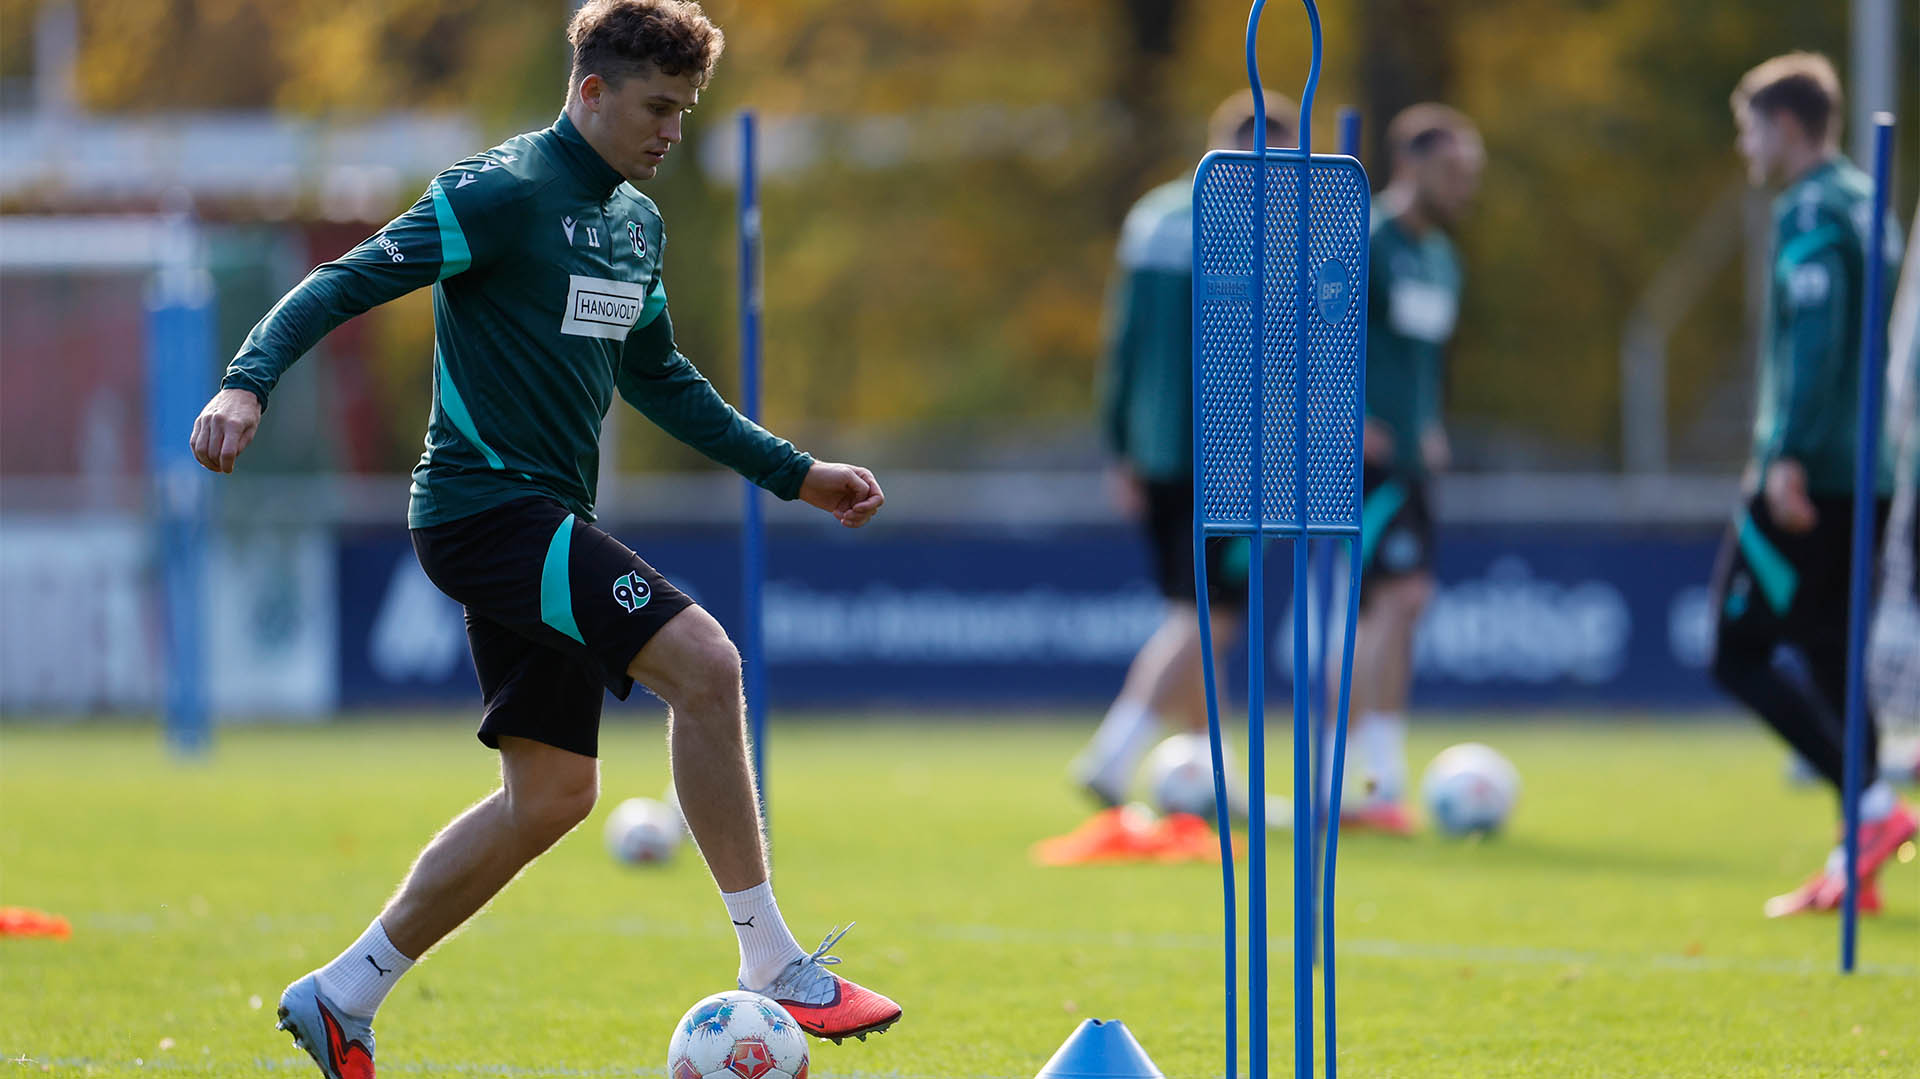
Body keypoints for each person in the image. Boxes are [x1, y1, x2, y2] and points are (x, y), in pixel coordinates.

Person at [191, 3, 902, 1074]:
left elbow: (661, 379)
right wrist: (247, 383)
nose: (672, 130)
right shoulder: (500, 192)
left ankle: (342, 992)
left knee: (555, 795)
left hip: (543, 517)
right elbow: (346, 279)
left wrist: (795, 474)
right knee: (706, 665)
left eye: (686, 111)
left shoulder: (635, 225)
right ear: (592, 92)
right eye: (658, 108)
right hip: (484, 508)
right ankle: (771, 960)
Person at [1709, 51, 1915, 917]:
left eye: (1748, 128)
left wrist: (1784, 450)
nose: (1745, 147)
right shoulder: (1874, 203)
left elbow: (1817, 341)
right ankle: (1854, 857)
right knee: (1832, 653)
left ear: (1785, 125)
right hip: (1871, 469)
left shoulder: (1814, 209)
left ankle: (1870, 809)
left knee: (1737, 649)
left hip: (1813, 467)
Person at [1066, 91, 1296, 833]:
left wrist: (1121, 444)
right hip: (1227, 452)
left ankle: (1212, 771)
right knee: (1208, 615)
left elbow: (1122, 340)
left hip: (1158, 446)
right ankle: (1116, 747)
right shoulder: (1265, 224)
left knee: (1197, 612)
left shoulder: (1157, 213)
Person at [1338, 104, 1482, 835]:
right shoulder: (1365, 239)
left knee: (1399, 606)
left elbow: (1420, 360)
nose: (1465, 186)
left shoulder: (1441, 259)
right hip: (1363, 463)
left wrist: (1427, 425)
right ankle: (1365, 776)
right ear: (1412, 165)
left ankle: (1370, 774)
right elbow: (1315, 330)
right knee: (1394, 601)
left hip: (1411, 462)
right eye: (1453, 170)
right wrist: (1349, 413)